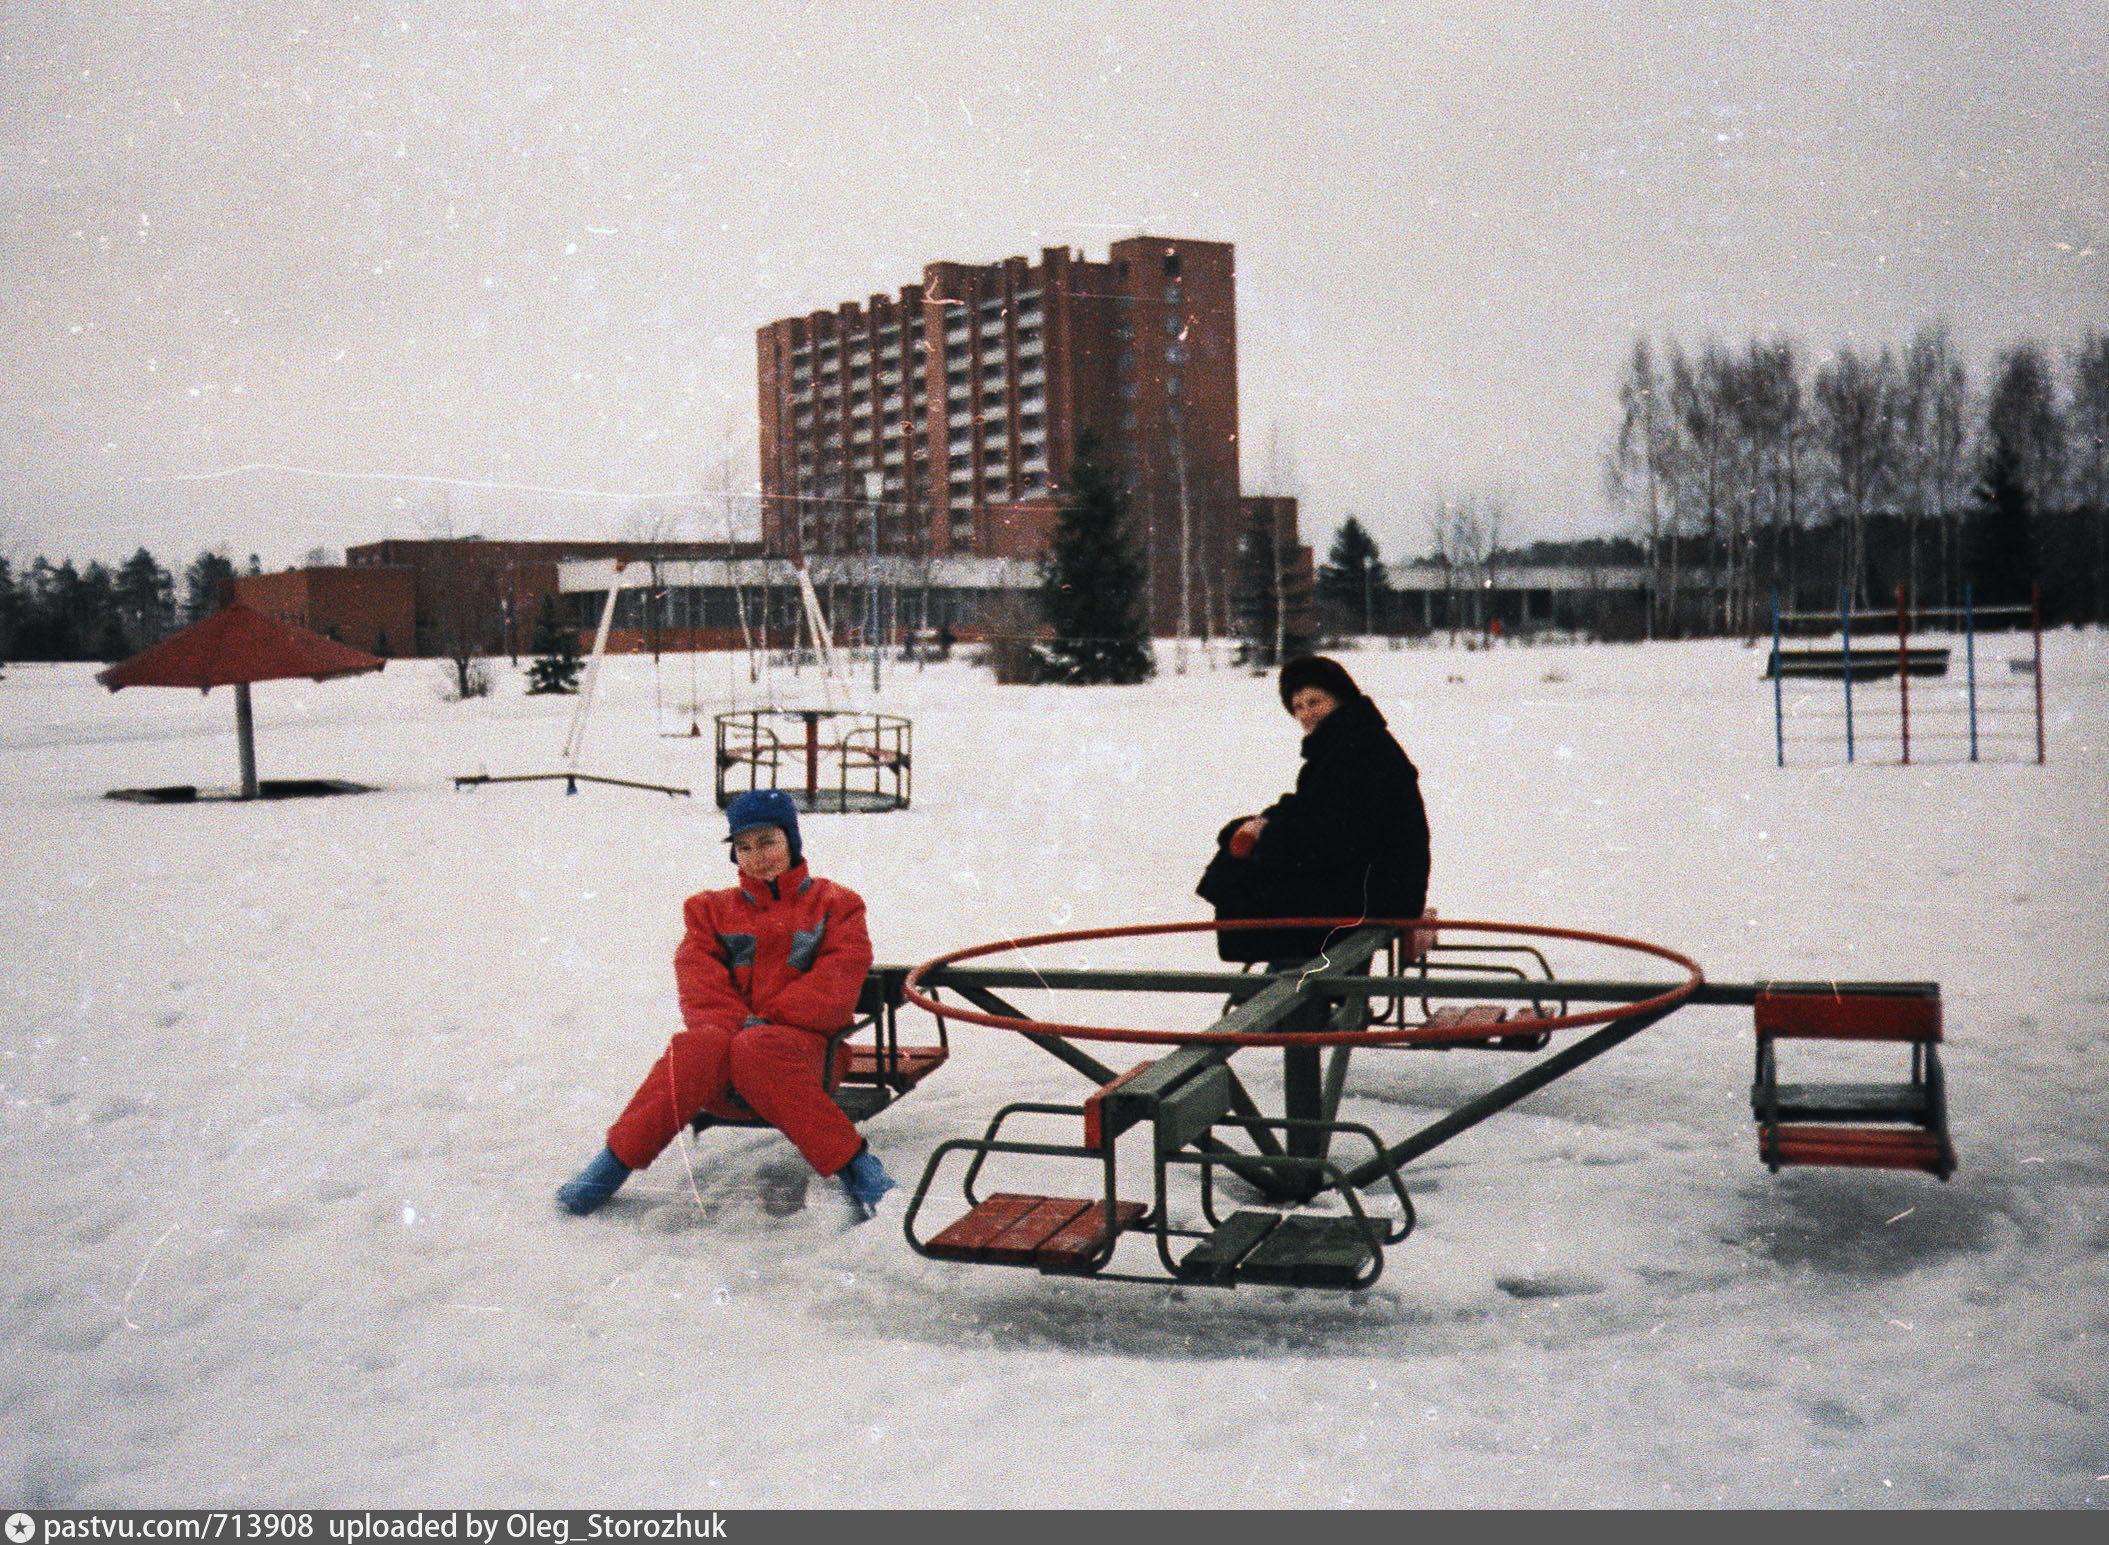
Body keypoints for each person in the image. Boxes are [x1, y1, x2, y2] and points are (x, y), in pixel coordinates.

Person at [556, 788, 898, 1221]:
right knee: (695, 1047)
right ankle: (610, 1166)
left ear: (792, 841)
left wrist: (764, 1023)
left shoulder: (836, 906)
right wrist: (738, 1028)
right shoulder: (709, 912)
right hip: (727, 1076)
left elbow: (835, 986)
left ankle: (856, 1165)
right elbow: (700, 984)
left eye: (769, 842)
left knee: (757, 1049)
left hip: (807, 1060)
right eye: (744, 847)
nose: (758, 857)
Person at [1196, 655, 1431, 963]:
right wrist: (1257, 823)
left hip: (1379, 892)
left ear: (1341, 699)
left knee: (1248, 883)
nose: (1306, 714)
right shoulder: (1342, 743)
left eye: (1315, 701)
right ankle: (1287, 986)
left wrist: (1267, 839)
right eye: (1298, 707)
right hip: (1374, 886)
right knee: (1243, 875)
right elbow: (1308, 807)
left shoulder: (1361, 748)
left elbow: (1340, 833)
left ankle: (1284, 993)